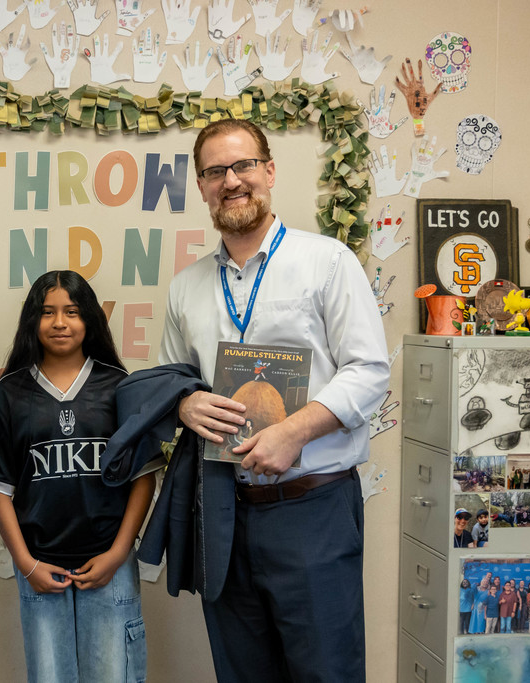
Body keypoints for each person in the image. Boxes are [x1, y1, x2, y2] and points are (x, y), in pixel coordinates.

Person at [154, 119, 389, 681]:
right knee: (242, 672)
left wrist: (294, 431)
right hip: (222, 509)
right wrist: (184, 406)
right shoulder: (185, 287)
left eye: (243, 165)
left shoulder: (327, 261)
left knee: (327, 672)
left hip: (313, 507)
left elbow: (369, 370)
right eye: (215, 171)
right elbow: (170, 380)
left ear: (270, 171)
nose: (231, 181)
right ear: (202, 185)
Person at [0, 270, 161, 682]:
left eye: (72, 311)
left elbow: (143, 478)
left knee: (113, 674)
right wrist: (25, 563)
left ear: (90, 318)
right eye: (47, 312)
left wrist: (118, 554)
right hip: (40, 564)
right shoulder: (10, 392)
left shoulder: (119, 386)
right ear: (32, 319)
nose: (59, 322)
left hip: (109, 563)